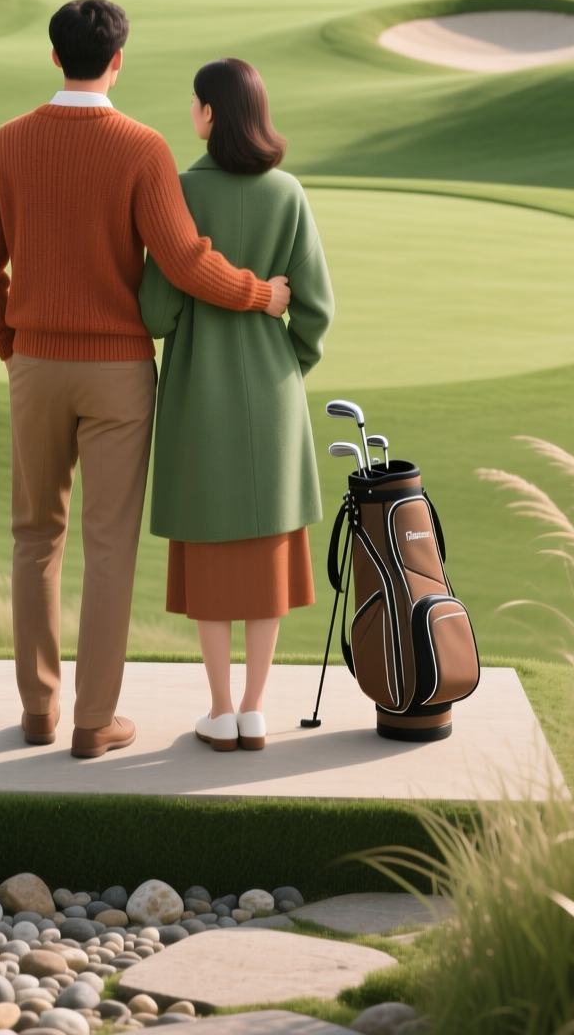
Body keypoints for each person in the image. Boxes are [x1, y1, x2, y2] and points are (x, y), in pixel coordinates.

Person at [0, 0, 291, 759]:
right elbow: (183, 263)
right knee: (108, 547)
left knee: (33, 539)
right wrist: (261, 294)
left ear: (55, 58)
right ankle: (92, 723)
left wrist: (9, 342)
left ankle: (38, 710)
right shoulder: (142, 148)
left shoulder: (7, 143)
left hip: (35, 366)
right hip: (118, 373)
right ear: (117, 61)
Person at [139, 58, 334, 752]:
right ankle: (254, 709)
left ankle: (219, 710)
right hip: (273, 393)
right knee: (265, 559)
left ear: (209, 113)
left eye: (194, 103)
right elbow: (317, 310)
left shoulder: (180, 190)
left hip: (201, 395)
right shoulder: (289, 192)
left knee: (214, 559)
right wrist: (286, 362)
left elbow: (157, 312)